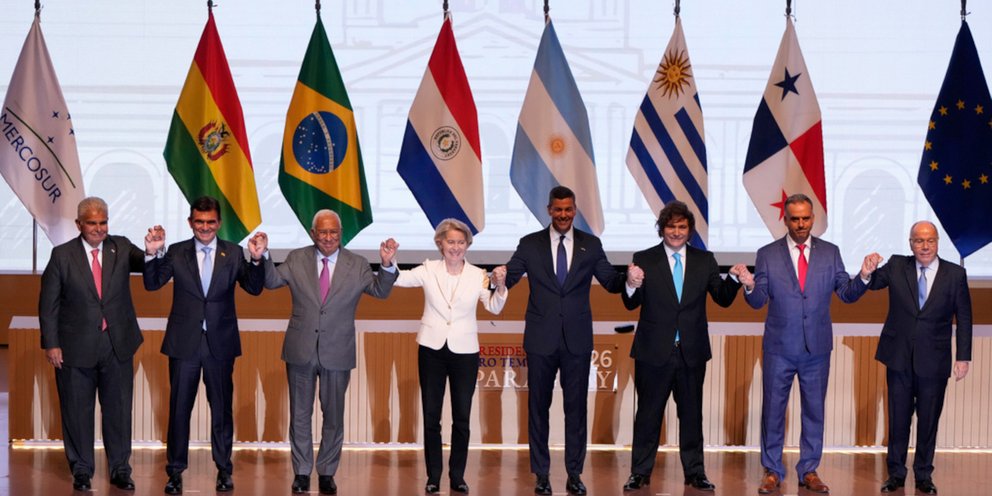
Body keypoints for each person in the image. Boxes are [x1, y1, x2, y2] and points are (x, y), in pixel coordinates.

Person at [740, 193, 879, 494]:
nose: (801, 224)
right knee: (773, 412)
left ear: (813, 218)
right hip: (779, 347)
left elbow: (846, 293)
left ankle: (809, 470)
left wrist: (864, 276)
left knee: (814, 411)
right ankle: (772, 471)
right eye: (795, 219)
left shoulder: (830, 252)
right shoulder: (767, 254)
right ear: (786, 220)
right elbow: (758, 300)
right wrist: (749, 286)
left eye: (806, 218)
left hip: (816, 348)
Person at [500, 186, 635, 496]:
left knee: (576, 410)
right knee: (538, 408)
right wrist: (498, 279)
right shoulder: (530, 244)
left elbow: (610, 281)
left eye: (568, 209)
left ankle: (575, 474)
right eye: (558, 209)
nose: (563, 215)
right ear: (549, 210)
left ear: (575, 210)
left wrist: (628, 280)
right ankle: (542, 474)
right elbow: (510, 276)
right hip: (540, 340)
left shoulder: (591, 244)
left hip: (577, 340)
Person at [256, 209, 398, 495]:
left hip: (338, 351)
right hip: (301, 350)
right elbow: (271, 282)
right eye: (323, 232)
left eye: (334, 231)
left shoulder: (357, 264)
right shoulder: (296, 258)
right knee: (299, 415)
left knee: (333, 416)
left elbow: (380, 292)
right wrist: (263, 256)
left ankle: (327, 472)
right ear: (313, 234)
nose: (329, 237)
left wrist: (386, 265)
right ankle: (301, 472)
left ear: (340, 233)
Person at [620, 200, 748, 493]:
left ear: (689, 230)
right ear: (661, 228)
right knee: (648, 416)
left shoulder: (705, 260)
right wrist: (630, 283)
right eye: (670, 226)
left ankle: (695, 473)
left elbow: (722, 298)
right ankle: (639, 473)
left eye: (682, 226)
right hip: (653, 352)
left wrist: (734, 278)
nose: (676, 232)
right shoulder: (644, 259)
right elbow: (630, 302)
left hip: (691, 352)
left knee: (691, 416)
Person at [143, 196, 266, 494]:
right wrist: (151, 253)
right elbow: (152, 283)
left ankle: (224, 470)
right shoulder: (176, 252)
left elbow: (254, 288)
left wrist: (256, 259)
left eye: (210, 222)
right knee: (179, 410)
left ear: (219, 223)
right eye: (199, 222)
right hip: (184, 343)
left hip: (220, 345)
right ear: (190, 222)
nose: (205, 227)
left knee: (221, 410)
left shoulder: (234, 253)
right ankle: (175, 472)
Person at [392, 218, 508, 494]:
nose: (456, 247)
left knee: (462, 417)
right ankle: (433, 476)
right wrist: (389, 261)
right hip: (431, 349)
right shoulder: (428, 269)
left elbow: (493, 307)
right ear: (440, 243)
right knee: (431, 416)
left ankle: (457, 476)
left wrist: (501, 286)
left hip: (465, 352)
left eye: (461, 242)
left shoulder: (479, 275)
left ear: (467, 245)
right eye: (451, 242)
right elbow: (400, 279)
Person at [39, 197, 145, 491]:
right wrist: (51, 344)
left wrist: (153, 250)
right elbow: (48, 305)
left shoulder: (120, 246)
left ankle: (120, 470)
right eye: (92, 223)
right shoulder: (62, 255)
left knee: (119, 411)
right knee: (76, 412)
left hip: (117, 345)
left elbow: (146, 263)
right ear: (79, 225)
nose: (99, 229)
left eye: (103, 222)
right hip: (74, 348)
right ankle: (82, 470)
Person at [867, 221, 971, 495]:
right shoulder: (897, 265)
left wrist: (963, 357)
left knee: (928, 422)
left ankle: (924, 475)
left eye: (930, 240)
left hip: (935, 361)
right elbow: (873, 283)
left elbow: (964, 317)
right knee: (898, 420)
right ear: (910, 243)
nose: (925, 246)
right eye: (919, 241)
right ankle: (896, 474)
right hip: (899, 358)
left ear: (937, 242)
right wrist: (867, 271)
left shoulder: (955, 274)